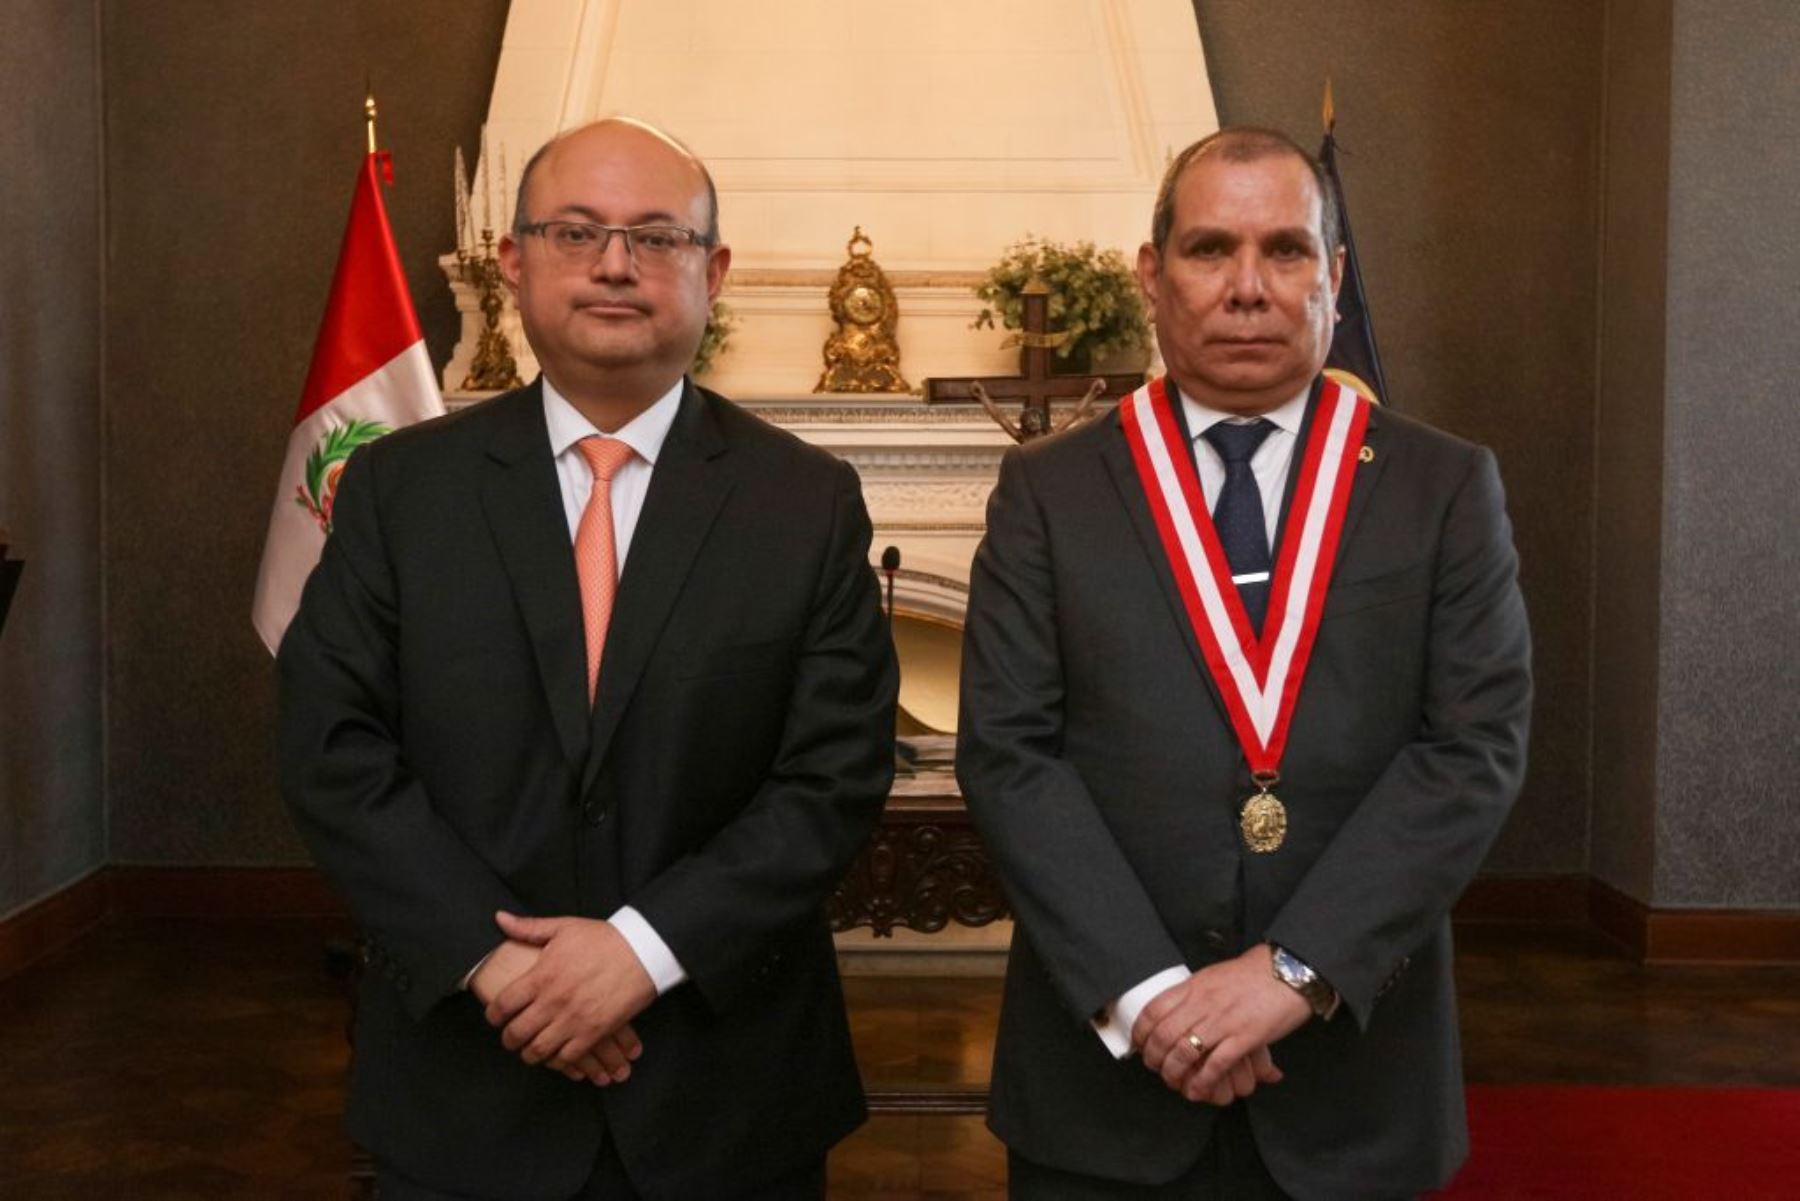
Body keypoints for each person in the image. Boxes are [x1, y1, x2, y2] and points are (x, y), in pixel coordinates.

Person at [278, 117, 898, 1201]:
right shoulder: (397, 492)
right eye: (577, 232)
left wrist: (643, 951)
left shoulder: (805, 500)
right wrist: (500, 963)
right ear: (513, 265)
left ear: (713, 272)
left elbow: (833, 775)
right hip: (466, 1078)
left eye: (656, 237)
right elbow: (333, 749)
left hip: (725, 1094)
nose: (616, 263)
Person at [956, 127, 1532, 1200]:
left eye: (1287, 250)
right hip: (1109, 1083)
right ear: (1151, 274)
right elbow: (1009, 753)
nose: (1250, 288)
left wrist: (1293, 971)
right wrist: (1150, 999)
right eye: (1211, 249)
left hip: (1352, 1078)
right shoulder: (1051, 491)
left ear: (1335, 276)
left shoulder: (1443, 487)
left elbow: (1472, 752)